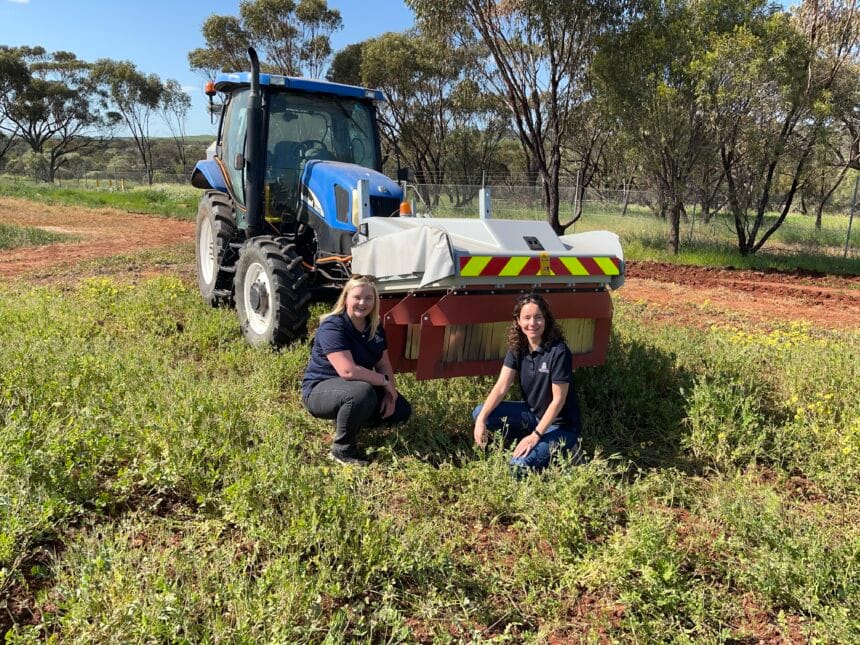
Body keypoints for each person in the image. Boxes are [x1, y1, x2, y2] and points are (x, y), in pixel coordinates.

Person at [302, 274, 411, 466]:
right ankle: (342, 451)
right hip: (320, 390)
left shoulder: (374, 327)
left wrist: (390, 393)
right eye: (357, 297)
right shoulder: (333, 326)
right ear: (346, 298)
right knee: (361, 393)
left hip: (355, 387)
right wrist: (384, 382)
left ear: (375, 301)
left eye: (369, 298)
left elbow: (383, 364)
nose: (363, 303)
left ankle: (349, 420)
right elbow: (348, 371)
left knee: (401, 410)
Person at [473, 293, 583, 476]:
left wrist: (535, 436)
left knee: (518, 467)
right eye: (527, 317)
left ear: (546, 319)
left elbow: (558, 401)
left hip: (560, 425)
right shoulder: (518, 348)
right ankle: (515, 449)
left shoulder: (558, 351)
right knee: (480, 412)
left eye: (538, 317)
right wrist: (481, 420)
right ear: (517, 321)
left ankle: (566, 449)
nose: (532, 323)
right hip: (533, 415)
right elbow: (501, 387)